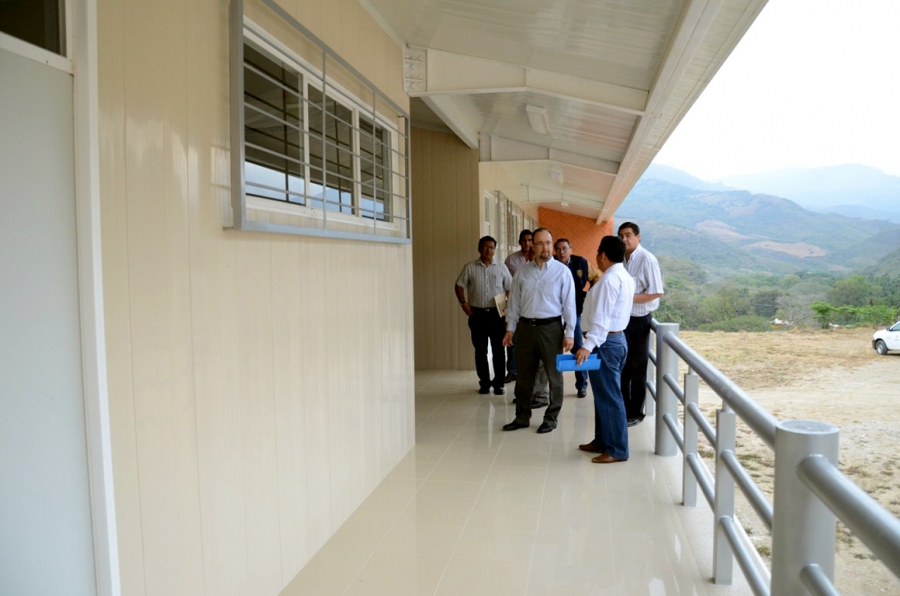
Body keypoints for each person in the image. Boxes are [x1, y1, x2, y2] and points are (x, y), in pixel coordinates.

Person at [501, 228, 576, 434]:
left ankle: (551, 417)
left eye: (548, 243)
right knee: (524, 376)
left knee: (554, 377)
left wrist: (569, 333)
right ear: (532, 246)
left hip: (551, 329)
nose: (545, 247)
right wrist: (510, 329)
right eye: (540, 243)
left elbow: (569, 305)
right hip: (525, 329)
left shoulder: (562, 272)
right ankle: (521, 417)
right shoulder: (523, 272)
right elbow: (514, 302)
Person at [575, 235, 635, 463]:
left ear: (602, 255)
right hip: (615, 341)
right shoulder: (623, 277)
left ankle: (617, 449)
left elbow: (602, 318)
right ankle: (601, 440)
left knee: (610, 398)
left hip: (604, 344)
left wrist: (587, 346)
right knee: (604, 395)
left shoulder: (610, 280)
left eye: (597, 254)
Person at [618, 222, 665, 426]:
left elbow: (656, 292)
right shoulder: (621, 259)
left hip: (639, 321)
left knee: (638, 367)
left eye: (628, 235)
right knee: (623, 366)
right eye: (621, 236)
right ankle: (623, 408)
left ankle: (636, 412)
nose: (624, 239)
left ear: (638, 237)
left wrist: (629, 298)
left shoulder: (647, 260)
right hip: (622, 320)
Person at [455, 236, 512, 395]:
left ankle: (499, 383)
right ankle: (484, 383)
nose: (489, 250)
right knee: (480, 351)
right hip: (477, 314)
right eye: (486, 247)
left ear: (495, 249)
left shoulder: (501, 267)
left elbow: (509, 288)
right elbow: (459, 285)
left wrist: (507, 310)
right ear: (480, 249)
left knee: (499, 350)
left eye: (492, 247)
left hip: (497, 315)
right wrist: (463, 303)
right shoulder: (470, 267)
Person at [554, 238, 601, 398]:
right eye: (558, 249)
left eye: (565, 249)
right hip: (554, 314)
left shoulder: (580, 262)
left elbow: (597, 278)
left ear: (570, 249)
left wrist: (590, 297)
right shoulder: (551, 264)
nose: (561, 252)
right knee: (552, 350)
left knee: (577, 348)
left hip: (576, 312)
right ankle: (552, 388)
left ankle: (581, 385)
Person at [503, 229, 533, 384]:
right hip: (515, 306)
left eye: (530, 240)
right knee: (512, 339)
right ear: (519, 242)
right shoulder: (511, 260)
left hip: (533, 307)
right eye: (524, 240)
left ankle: (529, 371)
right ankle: (513, 371)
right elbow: (504, 283)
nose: (527, 243)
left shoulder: (538, 259)